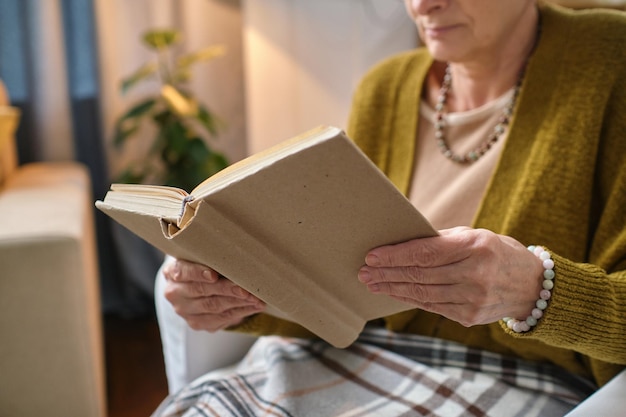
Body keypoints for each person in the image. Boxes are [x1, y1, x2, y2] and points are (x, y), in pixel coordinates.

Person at [152, 1, 626, 415]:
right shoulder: (385, 87)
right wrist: (234, 296)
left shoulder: (612, 61)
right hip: (347, 360)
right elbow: (349, 294)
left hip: (515, 380)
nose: (423, 4)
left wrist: (535, 291)